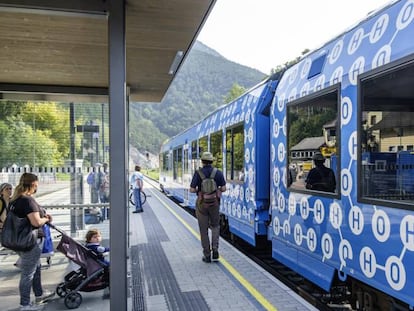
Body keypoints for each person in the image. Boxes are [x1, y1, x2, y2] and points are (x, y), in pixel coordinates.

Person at [9, 173, 55, 311]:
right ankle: (25, 305)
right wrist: (46, 219)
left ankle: (39, 293)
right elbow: (36, 222)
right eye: (37, 184)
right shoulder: (27, 200)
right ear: (33, 184)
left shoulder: (15, 200)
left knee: (36, 267)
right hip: (30, 241)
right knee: (28, 273)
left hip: (20, 240)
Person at [190, 151, 226, 263]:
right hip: (214, 203)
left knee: (203, 230)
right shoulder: (218, 173)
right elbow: (224, 188)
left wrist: (198, 191)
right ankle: (215, 249)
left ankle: (207, 254)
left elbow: (191, 189)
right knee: (215, 226)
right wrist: (217, 191)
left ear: (202, 161)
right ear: (212, 161)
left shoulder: (198, 173)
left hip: (202, 204)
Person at [0, 182, 13, 247]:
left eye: (10, 189)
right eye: (6, 189)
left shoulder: (13, 201)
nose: (9, 191)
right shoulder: (0, 202)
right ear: (1, 192)